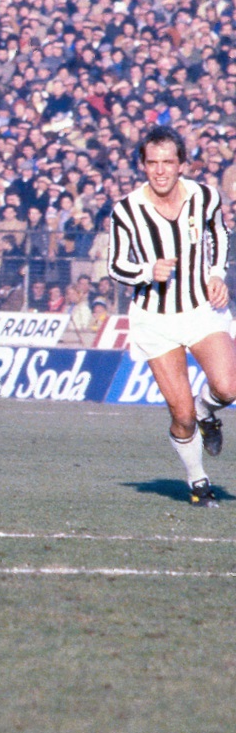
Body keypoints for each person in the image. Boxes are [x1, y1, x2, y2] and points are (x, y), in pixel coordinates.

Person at [106, 125, 236, 506]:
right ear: (143, 166)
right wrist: (148, 271)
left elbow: (222, 236)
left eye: (168, 162)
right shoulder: (126, 210)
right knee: (181, 415)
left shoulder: (204, 197)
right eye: (152, 163)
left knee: (228, 387)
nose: (160, 170)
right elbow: (115, 266)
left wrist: (216, 275)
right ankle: (198, 482)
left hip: (201, 309)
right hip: (155, 319)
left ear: (182, 164)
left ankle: (208, 411)